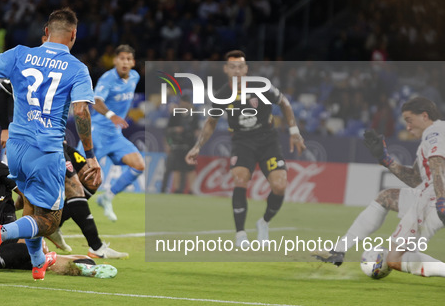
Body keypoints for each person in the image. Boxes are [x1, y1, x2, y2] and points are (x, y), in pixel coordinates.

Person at [0, 7, 101, 280]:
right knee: (48, 219)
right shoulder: (77, 69)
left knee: (31, 207)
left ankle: (38, 264)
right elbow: (81, 112)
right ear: (73, 35)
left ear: (46, 32)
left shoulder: (20, 54)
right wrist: (91, 155)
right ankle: (0, 233)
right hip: (46, 151)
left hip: (14, 148)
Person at [0, 66, 128, 259]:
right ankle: (95, 246)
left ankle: (53, 225)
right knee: (73, 188)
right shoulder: (30, 64)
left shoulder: (66, 67)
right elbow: (2, 95)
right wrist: (4, 128)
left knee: (92, 180)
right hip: (37, 143)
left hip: (58, 141)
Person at [0, 126, 116, 278]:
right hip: (11, 242)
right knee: (48, 256)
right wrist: (28, 236)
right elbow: (28, 198)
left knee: (82, 258)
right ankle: (88, 271)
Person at [185, 50, 306, 247]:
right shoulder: (223, 94)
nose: (237, 71)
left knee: (280, 186)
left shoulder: (261, 85)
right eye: (232, 67)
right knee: (240, 179)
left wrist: (294, 131)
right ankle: (240, 233)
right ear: (226, 69)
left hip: (268, 139)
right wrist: (197, 146)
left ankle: (264, 222)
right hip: (242, 141)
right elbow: (210, 123)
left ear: (246, 69)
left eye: (240, 66)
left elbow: (284, 103)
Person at [318, 97, 445, 277]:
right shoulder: (435, 136)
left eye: (410, 120)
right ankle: (338, 250)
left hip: (435, 198)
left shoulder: (434, 132)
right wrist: (386, 161)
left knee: (394, 258)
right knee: (386, 197)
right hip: (430, 194)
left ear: (424, 116)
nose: (407, 127)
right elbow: (417, 180)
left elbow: (437, 163)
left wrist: (441, 200)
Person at [86, 44, 143, 222]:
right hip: (97, 132)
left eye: (128, 59)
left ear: (133, 62)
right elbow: (95, 101)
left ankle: (107, 197)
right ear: (115, 61)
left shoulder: (135, 77)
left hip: (115, 135)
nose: (125, 62)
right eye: (121, 58)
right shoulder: (107, 78)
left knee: (138, 165)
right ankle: (56, 218)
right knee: (81, 179)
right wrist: (112, 115)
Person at [161, 94, 199, 194]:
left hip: (190, 145)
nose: (184, 104)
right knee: (176, 169)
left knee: (190, 169)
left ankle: (192, 190)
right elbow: (167, 130)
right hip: (177, 144)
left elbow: (197, 131)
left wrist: (196, 145)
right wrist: (168, 142)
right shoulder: (175, 114)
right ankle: (177, 190)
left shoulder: (194, 114)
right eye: (182, 102)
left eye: (185, 102)